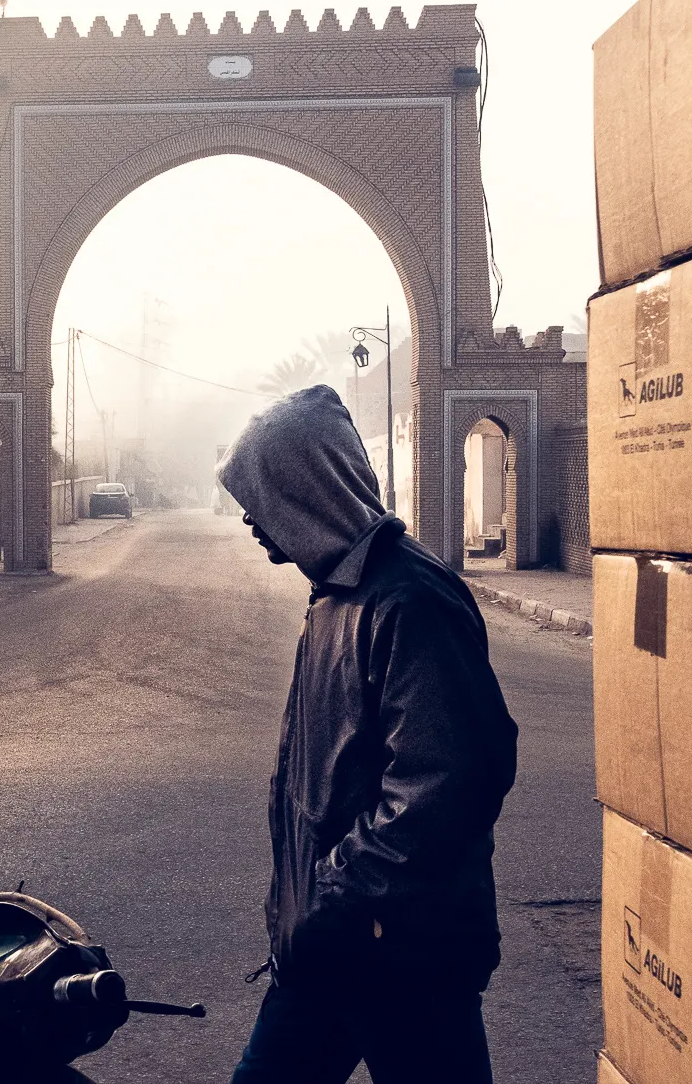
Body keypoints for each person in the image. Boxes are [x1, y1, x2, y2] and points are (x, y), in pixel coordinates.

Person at [216, 386, 518, 1084]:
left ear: (307, 490)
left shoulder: (411, 599)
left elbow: (445, 783)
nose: (251, 518)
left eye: (263, 496)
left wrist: (332, 894)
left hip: (402, 957)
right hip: (331, 954)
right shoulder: (337, 595)